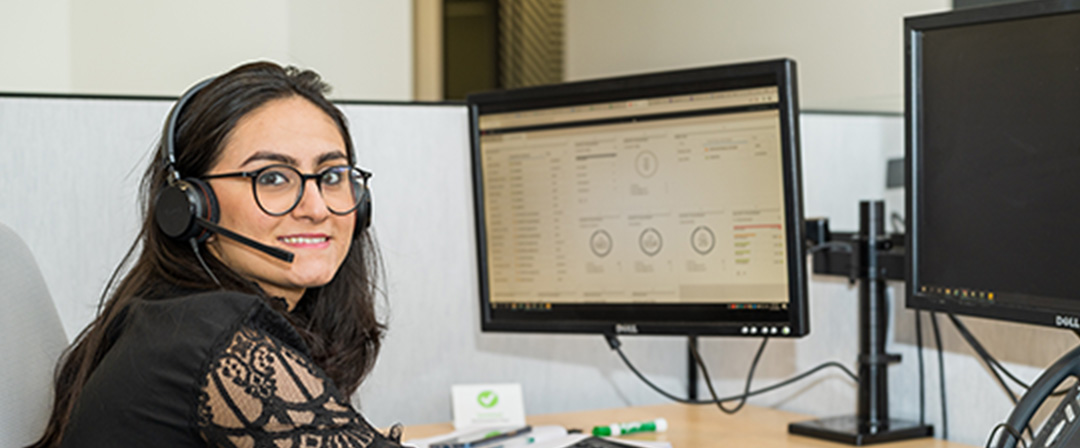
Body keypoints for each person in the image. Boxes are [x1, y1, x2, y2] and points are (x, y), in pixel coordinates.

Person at [29, 62, 401, 447]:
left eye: (331, 176)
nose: (317, 207)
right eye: (272, 177)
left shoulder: (179, 317)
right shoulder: (214, 339)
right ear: (192, 208)